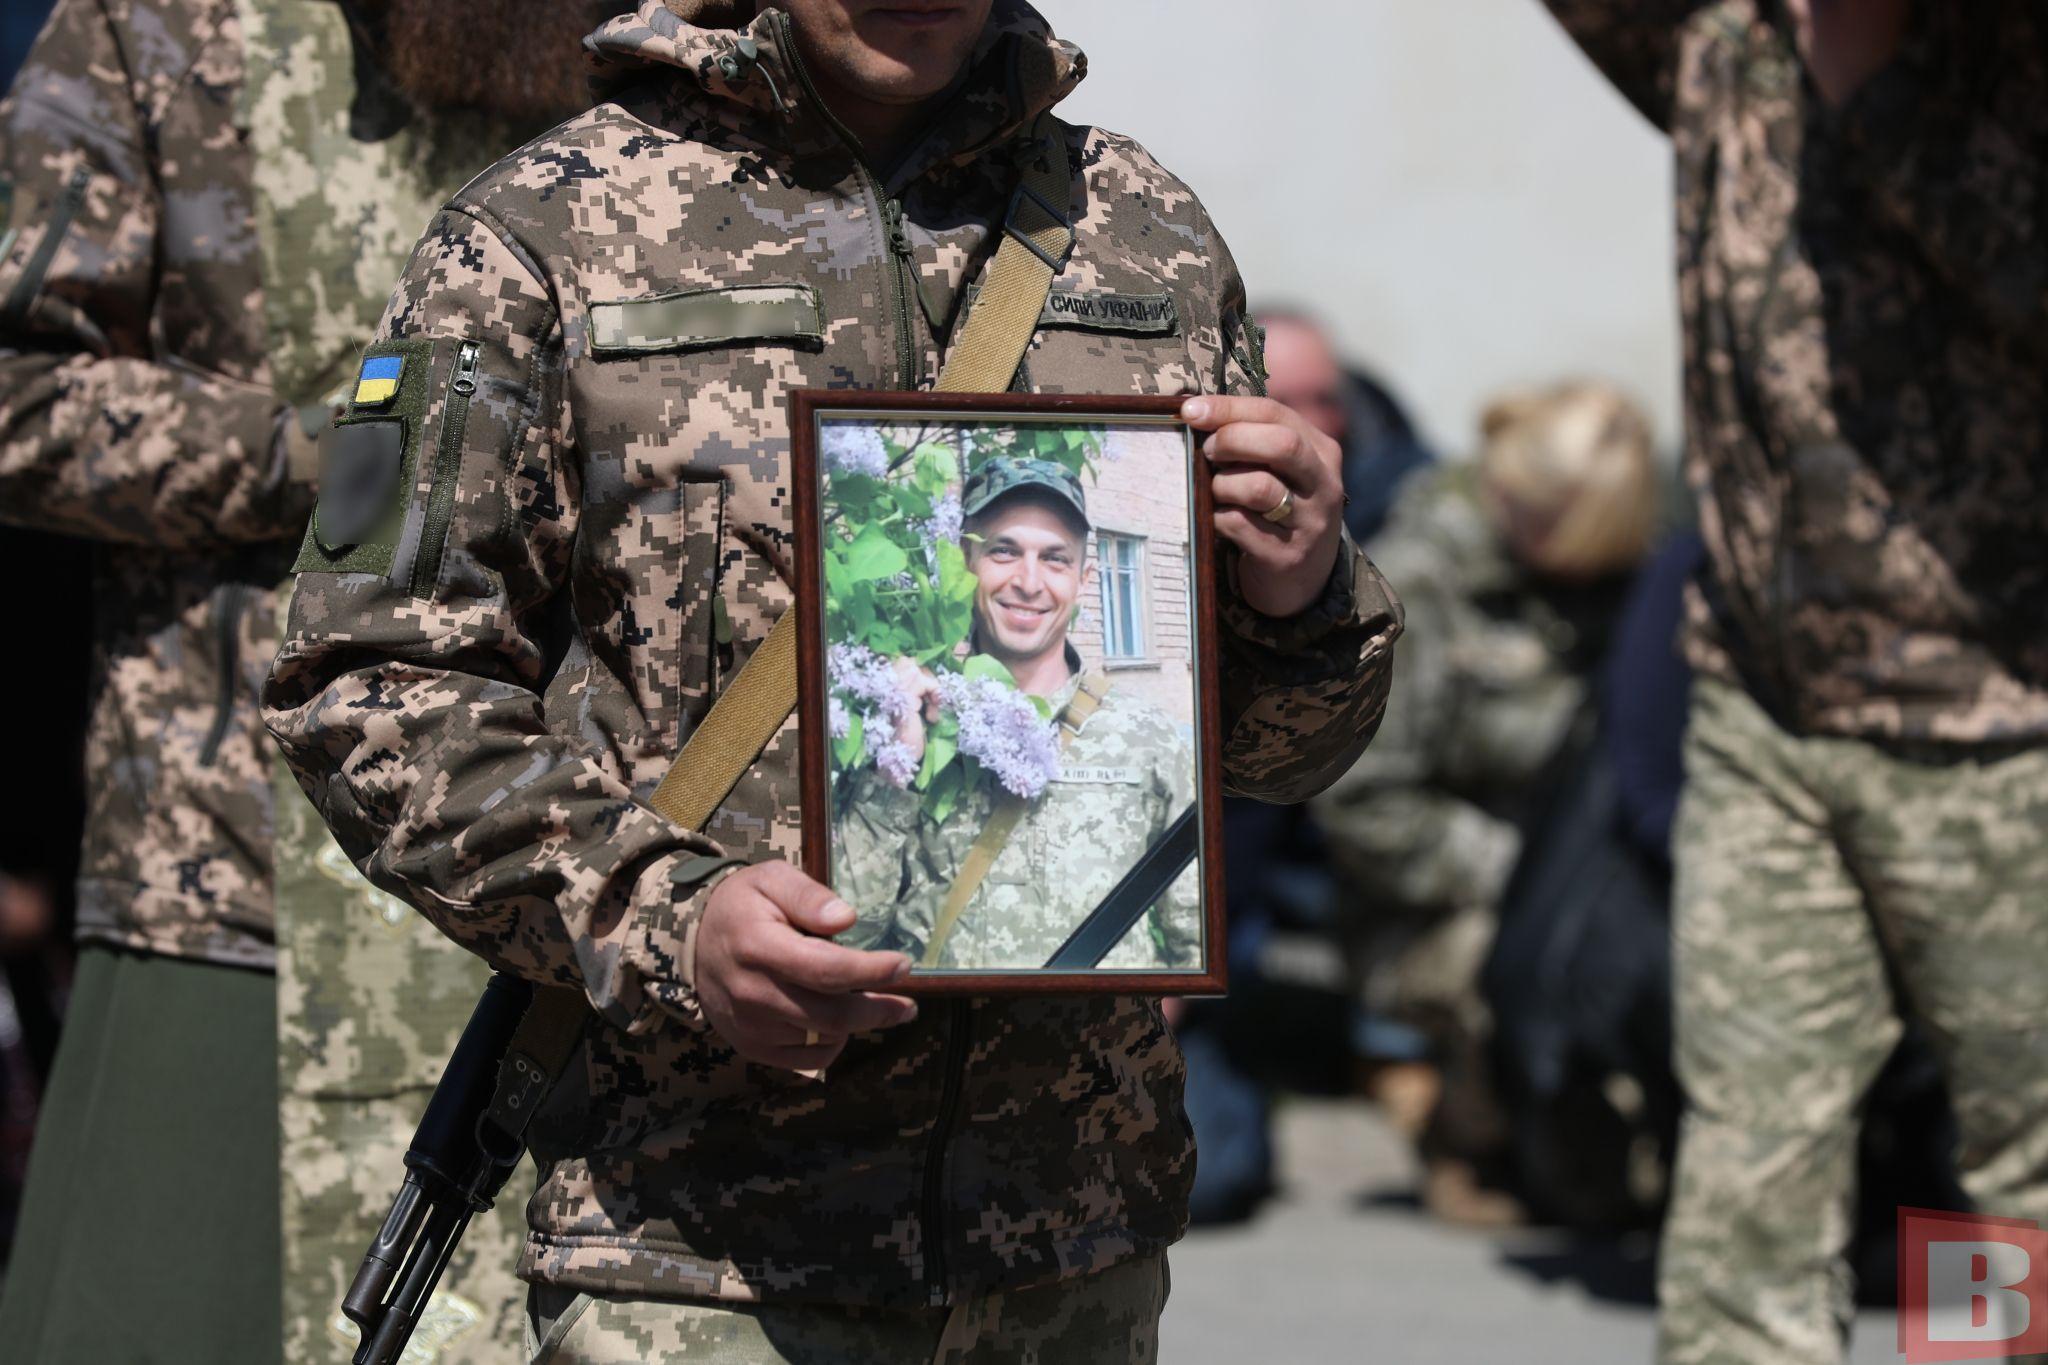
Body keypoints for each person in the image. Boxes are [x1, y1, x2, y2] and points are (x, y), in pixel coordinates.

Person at [264, 0, 1402, 1358]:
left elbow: (1277, 754)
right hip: (700, 1256)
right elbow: (361, 675)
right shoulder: (535, 231)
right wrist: (666, 916)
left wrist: (1303, 592)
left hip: (1067, 1250)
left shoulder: (1140, 224)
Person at [0, 1, 592, 1357]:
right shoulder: (159, 31)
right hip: (233, 874)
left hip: (574, 865)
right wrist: (325, 459)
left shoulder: (663, 32)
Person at [1542, 4, 2048, 1362]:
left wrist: (1873, 83)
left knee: (2019, 1186)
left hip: (2006, 727)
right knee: (1750, 1183)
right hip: (1765, 707)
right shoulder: (1719, 30)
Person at [1312, 379, 1659, 1226]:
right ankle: (1466, 1132)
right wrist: (1531, 882)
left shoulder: (1626, 579)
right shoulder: (1425, 580)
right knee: (1509, 964)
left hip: (1592, 871)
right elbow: (1364, 799)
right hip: (1436, 898)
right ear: (1518, 499)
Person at [836, 455, 1200, 972]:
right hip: (936, 1044)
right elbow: (846, 938)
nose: (1029, 582)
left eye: (1055, 559)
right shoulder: (905, 724)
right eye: (1004, 552)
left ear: (1083, 580)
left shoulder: (1151, 738)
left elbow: (1197, 938)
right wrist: (895, 767)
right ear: (966, 561)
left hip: (1104, 1047)